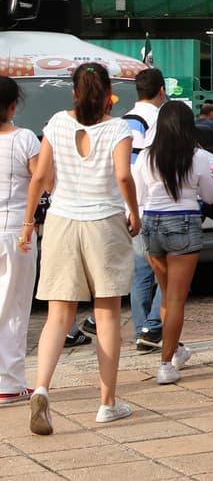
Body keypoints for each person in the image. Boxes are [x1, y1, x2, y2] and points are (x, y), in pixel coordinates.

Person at [19, 63, 139, 434]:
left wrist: (28, 224)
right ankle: (107, 402)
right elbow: (122, 175)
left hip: (61, 221)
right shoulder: (118, 127)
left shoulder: (56, 122)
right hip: (104, 222)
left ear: (73, 92)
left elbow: (39, 176)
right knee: (106, 314)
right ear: (108, 95)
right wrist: (134, 212)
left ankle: (41, 387)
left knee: (58, 313)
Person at [133, 102, 213, 384]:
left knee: (167, 293)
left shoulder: (145, 156)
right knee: (176, 298)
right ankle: (166, 364)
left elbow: (140, 197)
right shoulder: (198, 156)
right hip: (184, 220)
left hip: (152, 223)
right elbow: (208, 194)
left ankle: (176, 350)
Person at [0, 77, 40, 404]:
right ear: (13, 106)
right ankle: (10, 383)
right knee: (14, 306)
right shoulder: (24, 138)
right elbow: (43, 179)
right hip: (17, 230)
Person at [122, 67, 166, 353]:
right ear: (161, 90)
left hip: (128, 204)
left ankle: (141, 332)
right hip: (158, 203)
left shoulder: (121, 121)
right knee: (169, 270)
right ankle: (153, 325)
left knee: (140, 272)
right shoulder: (162, 119)